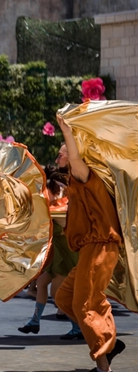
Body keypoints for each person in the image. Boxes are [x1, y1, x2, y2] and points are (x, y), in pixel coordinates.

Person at [54, 115, 125, 372]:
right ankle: (108, 341)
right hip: (89, 249)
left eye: (60, 153)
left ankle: (103, 365)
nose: (58, 158)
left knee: (85, 305)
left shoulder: (86, 175)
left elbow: (74, 158)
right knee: (64, 297)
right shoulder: (76, 184)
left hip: (101, 246)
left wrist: (66, 130)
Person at [18, 164, 81, 339]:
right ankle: (35, 321)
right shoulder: (53, 198)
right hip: (58, 250)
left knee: (57, 294)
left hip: (66, 254)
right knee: (42, 283)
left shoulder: (62, 201)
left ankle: (78, 327)